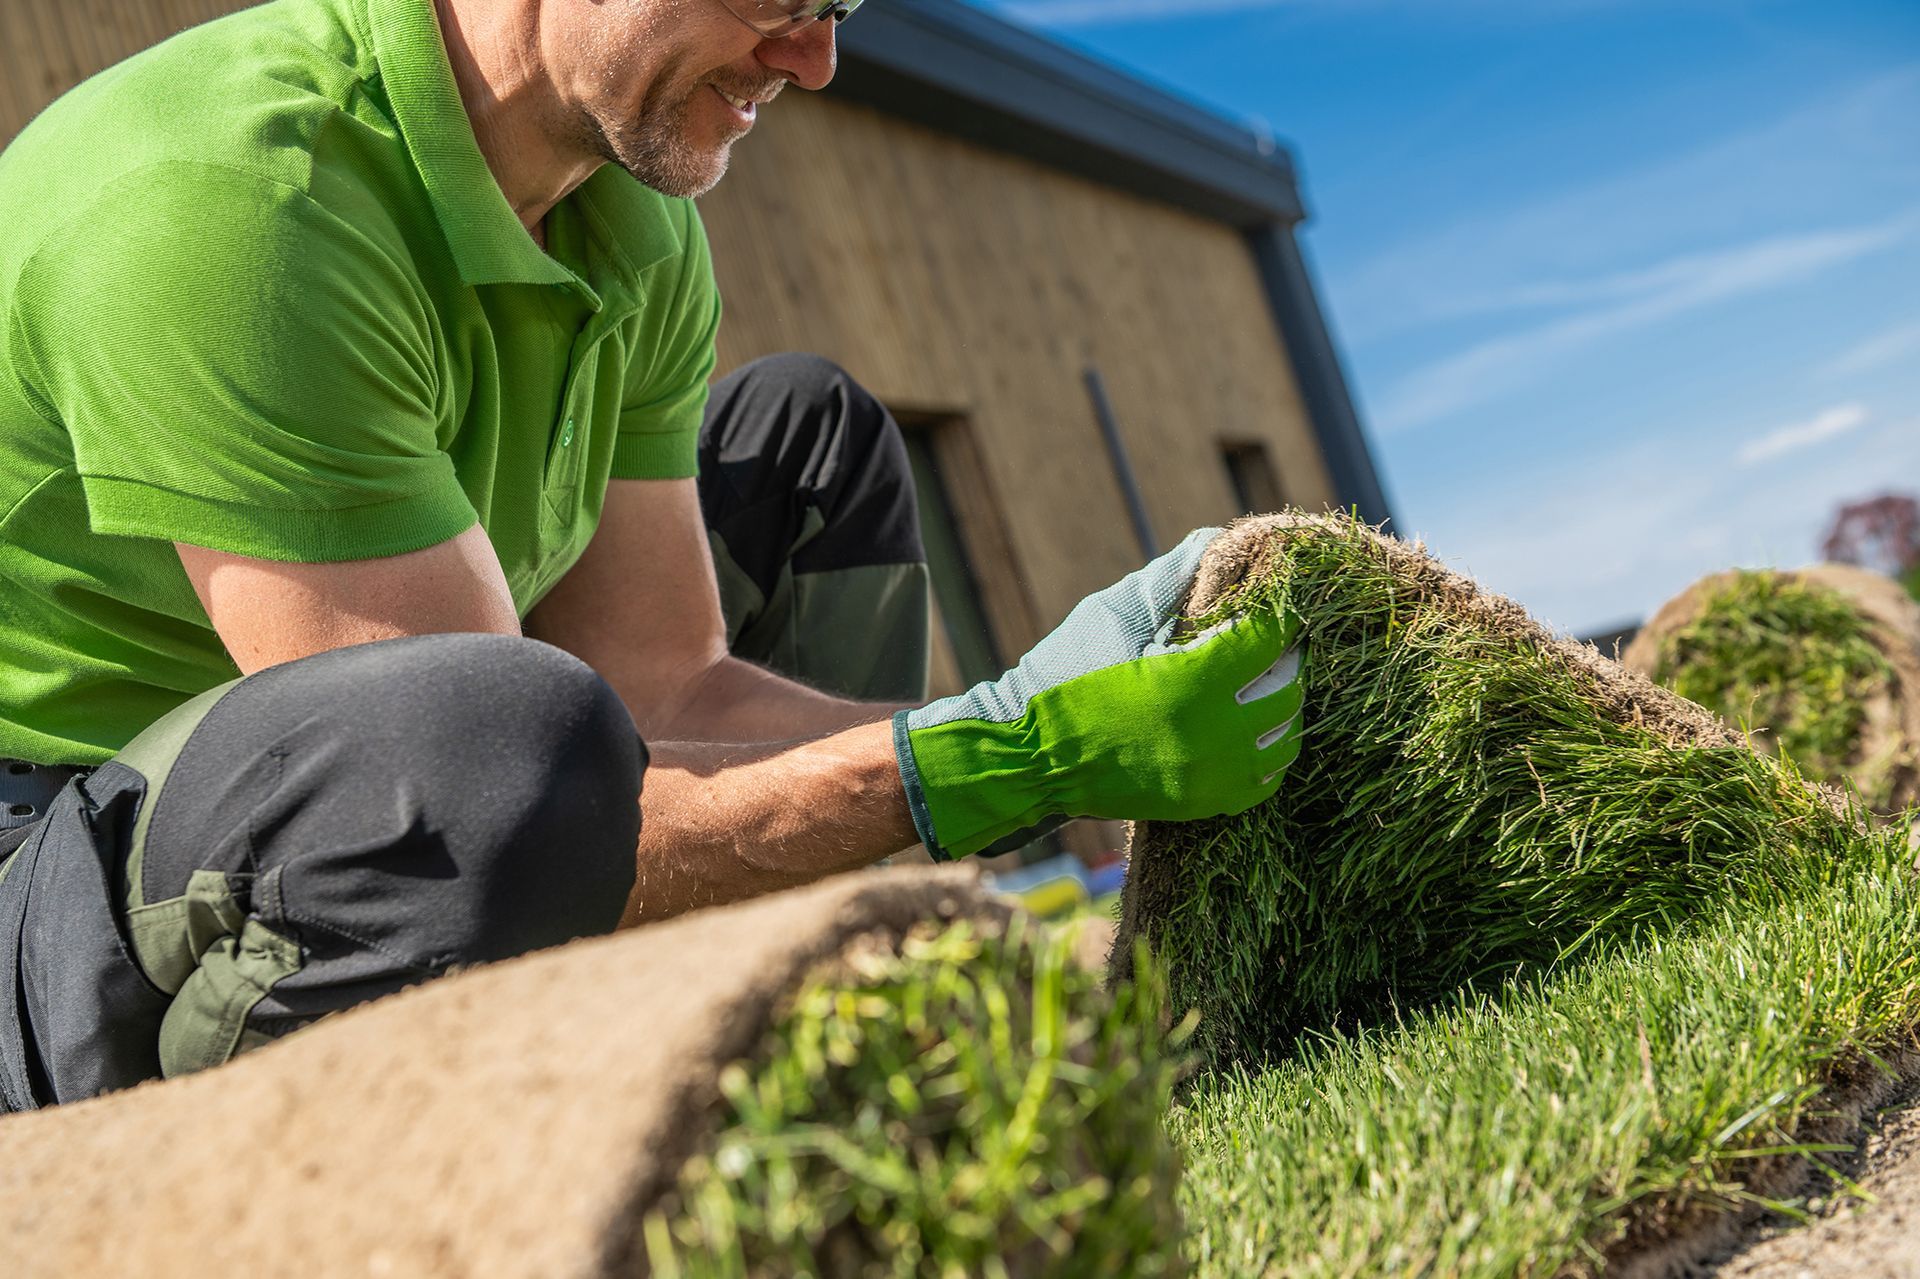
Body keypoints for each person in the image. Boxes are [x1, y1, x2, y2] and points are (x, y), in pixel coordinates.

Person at [0, 0, 1306, 1112]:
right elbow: (464, 798)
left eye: (840, 8)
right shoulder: (235, 209)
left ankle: (797, 1008)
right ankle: (278, 1155)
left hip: (394, 760)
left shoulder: (629, 217)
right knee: (495, 742)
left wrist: (995, 728)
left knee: (804, 439)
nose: (814, 62)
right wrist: (978, 767)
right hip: (52, 851)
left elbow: (665, 684)